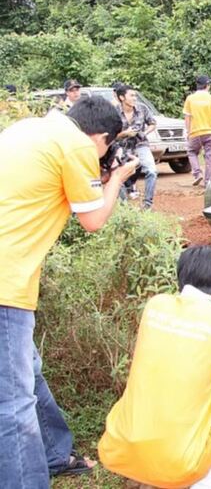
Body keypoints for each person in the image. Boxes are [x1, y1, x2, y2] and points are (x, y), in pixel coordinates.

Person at [0, 96, 139, 487]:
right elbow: (93, 219)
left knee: (30, 374)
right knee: (13, 405)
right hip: (5, 282)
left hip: (11, 277)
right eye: (107, 147)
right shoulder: (77, 145)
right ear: (101, 137)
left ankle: (54, 455)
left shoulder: (28, 128)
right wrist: (115, 179)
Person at [98, 245, 211, 489]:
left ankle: (146, 474)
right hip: (180, 466)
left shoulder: (155, 306)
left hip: (118, 451)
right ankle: (204, 482)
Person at [115, 84, 158, 209]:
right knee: (118, 175)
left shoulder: (142, 109)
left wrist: (144, 133)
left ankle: (147, 204)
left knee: (151, 171)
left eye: (135, 95)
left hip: (140, 144)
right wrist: (125, 133)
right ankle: (124, 207)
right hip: (122, 146)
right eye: (131, 95)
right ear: (122, 97)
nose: (135, 98)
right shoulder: (115, 112)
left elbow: (152, 123)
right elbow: (111, 135)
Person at [184, 75, 211, 187]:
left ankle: (197, 174)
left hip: (195, 132)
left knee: (191, 152)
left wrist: (188, 131)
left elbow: (187, 117)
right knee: (209, 156)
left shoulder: (190, 99)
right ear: (207, 85)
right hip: (210, 132)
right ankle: (208, 182)